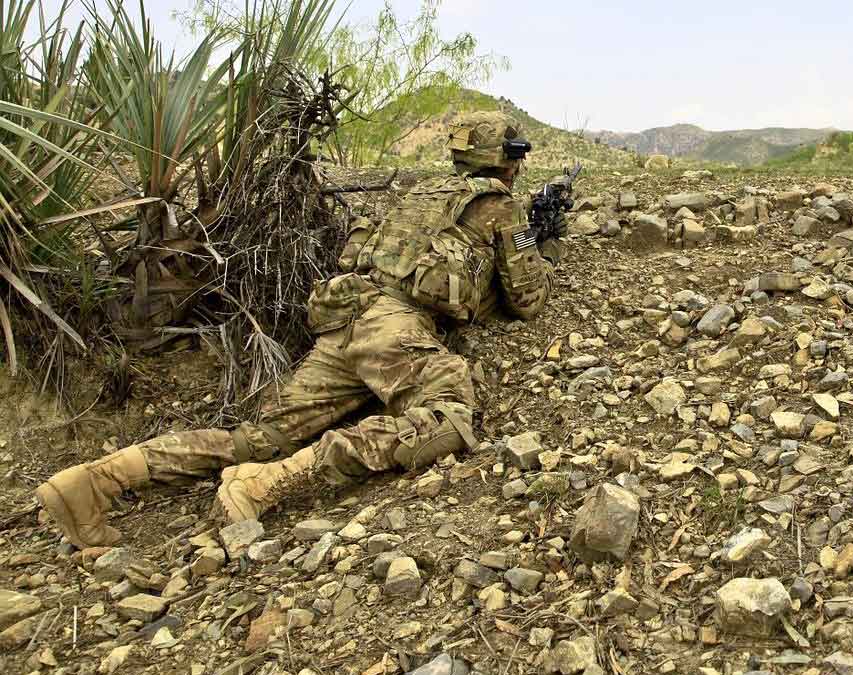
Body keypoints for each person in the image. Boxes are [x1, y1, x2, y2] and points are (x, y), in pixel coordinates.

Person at [35, 111, 565, 549]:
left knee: (261, 436)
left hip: (346, 321)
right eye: (516, 157)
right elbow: (526, 301)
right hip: (394, 328)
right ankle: (267, 484)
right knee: (451, 415)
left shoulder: (420, 195)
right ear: (505, 159)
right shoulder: (498, 205)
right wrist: (544, 250)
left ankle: (98, 480)